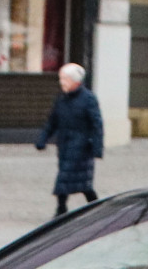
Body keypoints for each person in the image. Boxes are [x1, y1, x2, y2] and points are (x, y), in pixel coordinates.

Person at [37, 62, 104, 217]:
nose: (62, 83)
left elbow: (96, 124)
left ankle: (62, 209)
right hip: (65, 144)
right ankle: (89, 205)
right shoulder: (61, 99)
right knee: (75, 179)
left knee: (69, 178)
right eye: (61, 79)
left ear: (76, 82)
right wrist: (43, 138)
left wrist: (97, 148)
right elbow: (52, 121)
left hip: (82, 146)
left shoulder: (88, 99)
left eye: (65, 79)